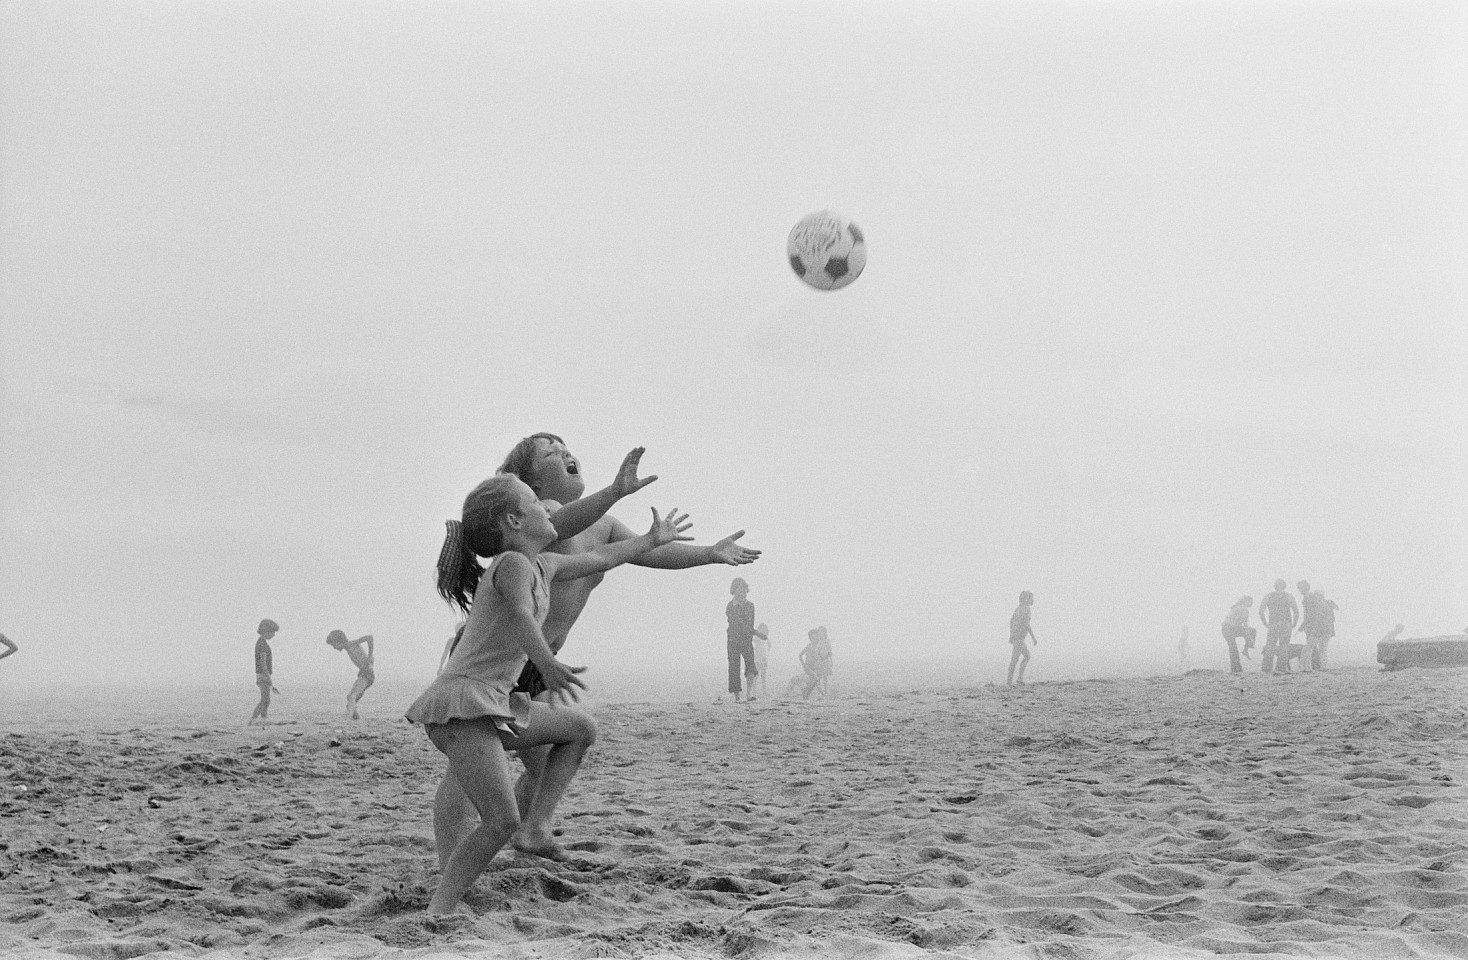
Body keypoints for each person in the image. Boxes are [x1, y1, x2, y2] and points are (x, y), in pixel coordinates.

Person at [435, 435, 758, 866]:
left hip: (538, 664)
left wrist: (708, 554)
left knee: (550, 756)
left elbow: (648, 550)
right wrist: (614, 491)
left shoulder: (601, 526)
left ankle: (522, 834)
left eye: (567, 448)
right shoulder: (543, 518)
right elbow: (563, 525)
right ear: (528, 482)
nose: (567, 454)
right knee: (465, 770)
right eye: (551, 453)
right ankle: (458, 856)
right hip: (497, 659)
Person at [406, 472, 692, 914]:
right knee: (500, 819)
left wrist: (652, 539)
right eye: (537, 504)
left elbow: (601, 556)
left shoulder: (544, 565)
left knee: (579, 729)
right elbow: (521, 616)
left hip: (492, 706)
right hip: (463, 708)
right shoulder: (512, 565)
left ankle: (533, 829)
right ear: (515, 521)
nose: (548, 508)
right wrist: (547, 663)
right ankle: (440, 909)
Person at [326, 630, 376, 719]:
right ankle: (356, 719)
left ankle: (348, 720)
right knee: (351, 699)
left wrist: (369, 656)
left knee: (352, 697)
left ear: (338, 641)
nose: (334, 647)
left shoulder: (351, 644)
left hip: (367, 674)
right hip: (365, 674)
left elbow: (369, 637)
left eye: (333, 644)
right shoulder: (349, 647)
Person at [726, 578, 759, 703]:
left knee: (750, 665)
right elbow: (736, 623)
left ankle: (749, 693)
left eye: (744, 590)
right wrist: (756, 632)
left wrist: (753, 632)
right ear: (734, 591)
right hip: (733, 639)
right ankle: (737, 696)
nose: (743, 592)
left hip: (746, 639)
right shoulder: (730, 606)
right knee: (734, 666)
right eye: (740, 590)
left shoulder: (750, 605)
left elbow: (750, 623)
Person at [1258, 579, 1300, 674]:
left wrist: (1265, 623)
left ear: (1275, 586)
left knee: (1270, 645)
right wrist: (1294, 623)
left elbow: (1261, 611)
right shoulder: (1289, 596)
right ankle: (1281, 668)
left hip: (1273, 623)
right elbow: (1296, 611)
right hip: (1286, 623)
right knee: (1284, 646)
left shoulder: (1268, 596)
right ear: (1284, 586)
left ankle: (1266, 669)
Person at [248, 619, 280, 725]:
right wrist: (268, 677)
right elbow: (263, 662)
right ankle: (253, 719)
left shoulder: (261, 642)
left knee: (266, 700)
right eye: (272, 632)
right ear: (265, 631)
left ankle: (263, 719)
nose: (273, 635)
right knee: (265, 700)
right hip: (263, 675)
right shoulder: (262, 644)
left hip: (262, 674)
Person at [1300, 589, 1336, 672]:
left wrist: (1306, 627)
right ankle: (1323, 666)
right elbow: (1333, 616)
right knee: (1323, 649)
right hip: (1327, 629)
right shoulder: (1328, 603)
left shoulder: (1317, 605)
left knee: (1308, 648)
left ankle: (1305, 667)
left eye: (1316, 595)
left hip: (1318, 629)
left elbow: (1313, 617)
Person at [1006, 591, 1038, 686]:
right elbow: (1026, 624)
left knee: (1026, 656)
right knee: (1015, 659)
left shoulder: (1018, 609)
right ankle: (1010, 681)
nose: (1032, 600)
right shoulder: (1026, 609)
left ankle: (1018, 679)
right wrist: (1033, 637)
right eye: (1031, 598)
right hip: (1019, 637)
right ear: (1026, 599)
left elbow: (1011, 622)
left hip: (1016, 637)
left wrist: (1012, 635)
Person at [1221, 597, 1254, 674]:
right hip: (1231, 628)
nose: (1252, 603)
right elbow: (1245, 626)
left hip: (1225, 628)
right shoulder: (1244, 609)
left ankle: (1235, 669)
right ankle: (1245, 650)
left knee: (1233, 649)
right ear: (1245, 601)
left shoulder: (1236, 607)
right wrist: (1249, 639)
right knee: (1252, 631)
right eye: (1250, 601)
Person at [798, 626, 833, 698]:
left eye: (822, 632)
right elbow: (801, 655)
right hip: (814, 665)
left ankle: (823, 693)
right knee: (816, 679)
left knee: (820, 679)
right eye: (819, 632)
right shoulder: (811, 645)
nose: (820, 634)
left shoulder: (824, 642)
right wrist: (804, 665)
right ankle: (820, 693)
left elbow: (829, 652)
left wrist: (829, 660)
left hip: (821, 663)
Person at [752, 622, 770, 699]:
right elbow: (752, 640)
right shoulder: (757, 638)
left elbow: (770, 645)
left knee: (763, 676)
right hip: (758, 659)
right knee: (756, 676)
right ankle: (754, 691)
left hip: (764, 659)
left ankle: (764, 691)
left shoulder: (766, 638)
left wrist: (766, 654)